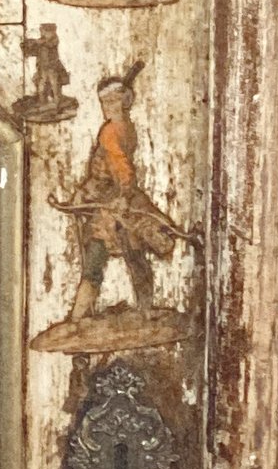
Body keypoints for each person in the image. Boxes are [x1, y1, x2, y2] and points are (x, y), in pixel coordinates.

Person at [59, 62, 184, 323]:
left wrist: (123, 195)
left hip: (113, 204)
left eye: (113, 102)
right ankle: (140, 309)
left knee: (100, 258)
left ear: (124, 102)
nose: (108, 108)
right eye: (105, 103)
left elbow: (122, 167)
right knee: (131, 255)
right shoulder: (124, 127)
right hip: (110, 198)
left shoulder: (111, 132)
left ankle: (79, 316)